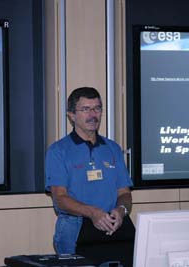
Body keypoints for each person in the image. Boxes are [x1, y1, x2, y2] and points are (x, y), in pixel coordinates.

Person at [45, 86, 133, 255]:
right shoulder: (58, 151)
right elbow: (60, 199)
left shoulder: (113, 148)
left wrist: (121, 210)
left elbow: (125, 193)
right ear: (71, 115)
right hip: (76, 229)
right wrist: (93, 213)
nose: (93, 115)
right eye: (86, 109)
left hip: (114, 226)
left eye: (97, 108)